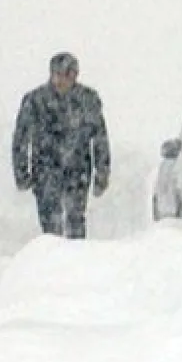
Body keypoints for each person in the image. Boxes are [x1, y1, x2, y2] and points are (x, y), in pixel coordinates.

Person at [12, 52, 111, 239]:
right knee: (50, 226)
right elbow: (21, 139)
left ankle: (76, 261)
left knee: (76, 221)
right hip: (45, 169)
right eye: (56, 74)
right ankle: (52, 260)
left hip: (78, 169)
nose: (60, 80)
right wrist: (21, 172)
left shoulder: (87, 100)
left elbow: (100, 138)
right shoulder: (35, 100)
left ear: (75, 75)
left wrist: (102, 172)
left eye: (67, 75)